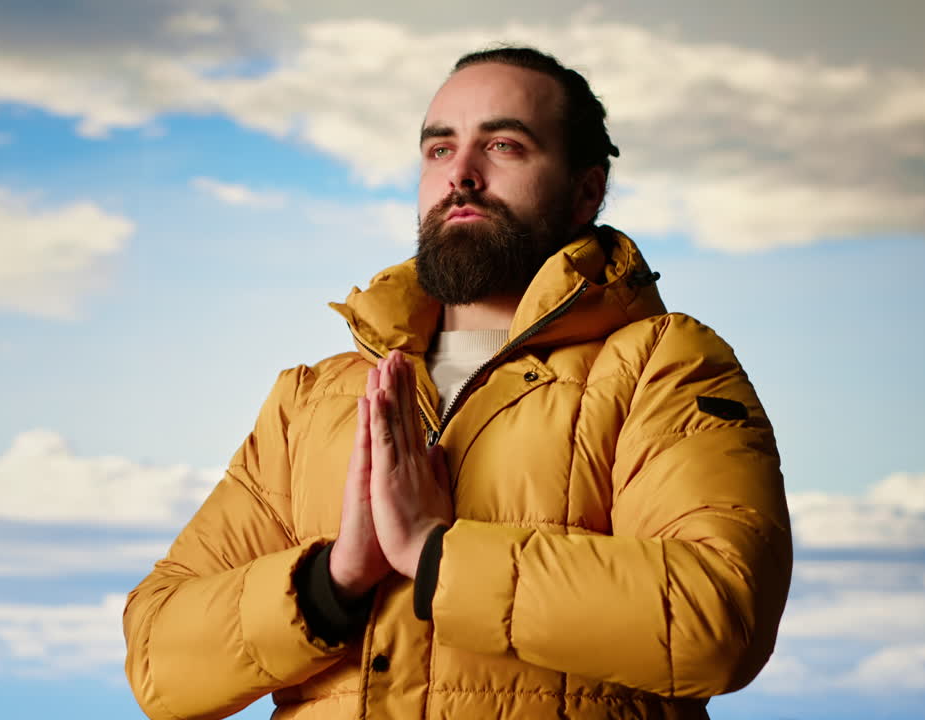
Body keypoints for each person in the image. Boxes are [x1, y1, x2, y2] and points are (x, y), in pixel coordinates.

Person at [122, 45, 793, 720]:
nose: (461, 175)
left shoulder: (663, 365)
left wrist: (434, 553)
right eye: (439, 150)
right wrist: (336, 579)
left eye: (503, 145)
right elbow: (158, 660)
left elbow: (721, 620)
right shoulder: (312, 400)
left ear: (585, 191)